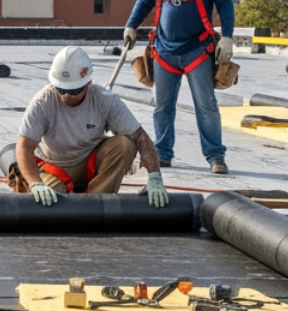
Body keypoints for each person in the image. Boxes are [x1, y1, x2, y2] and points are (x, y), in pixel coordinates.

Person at [122, 0, 235, 175]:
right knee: (162, 106)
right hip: (164, 51)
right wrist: (131, 25)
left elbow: (226, 3)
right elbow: (144, 1)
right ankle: (162, 153)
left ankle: (215, 156)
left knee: (205, 105)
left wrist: (227, 37)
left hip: (198, 50)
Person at [13, 46, 170, 208]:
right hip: (56, 166)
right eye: (61, 89)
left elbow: (140, 137)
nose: (67, 96)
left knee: (125, 144)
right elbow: (24, 147)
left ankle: (97, 202)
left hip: (90, 163)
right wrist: (35, 183)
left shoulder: (104, 100)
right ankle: (76, 198)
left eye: (74, 91)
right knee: (50, 201)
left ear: (88, 83)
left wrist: (155, 177)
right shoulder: (43, 102)